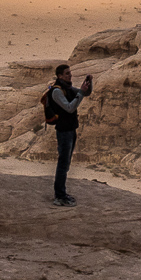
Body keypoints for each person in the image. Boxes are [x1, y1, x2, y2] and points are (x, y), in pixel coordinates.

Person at [46, 64, 94, 207]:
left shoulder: (67, 88)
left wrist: (88, 85)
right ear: (60, 76)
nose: (70, 75)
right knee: (63, 164)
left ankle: (62, 193)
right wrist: (81, 93)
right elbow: (69, 107)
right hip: (64, 131)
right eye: (67, 74)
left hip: (71, 130)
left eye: (70, 73)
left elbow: (84, 93)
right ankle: (59, 196)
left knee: (65, 164)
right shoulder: (57, 92)